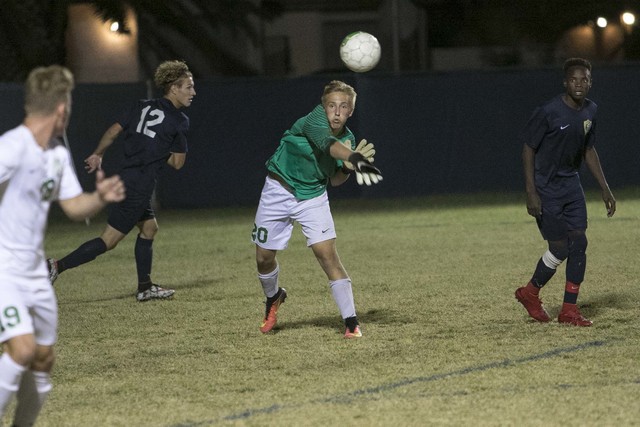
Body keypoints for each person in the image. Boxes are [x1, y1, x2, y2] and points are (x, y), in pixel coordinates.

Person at [0, 65, 125, 425]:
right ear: (61, 108)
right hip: (5, 273)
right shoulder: (13, 148)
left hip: (35, 274)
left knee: (42, 359)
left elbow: (73, 207)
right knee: (21, 350)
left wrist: (99, 197)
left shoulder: (55, 154)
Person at [47, 60, 196, 302]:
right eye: (188, 87)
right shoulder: (179, 121)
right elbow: (178, 163)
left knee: (149, 228)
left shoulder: (141, 106)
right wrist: (162, 147)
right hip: (138, 186)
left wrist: (98, 154)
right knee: (108, 241)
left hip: (126, 178)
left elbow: (113, 131)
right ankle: (55, 266)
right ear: (173, 88)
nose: (193, 93)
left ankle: (145, 287)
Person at [252, 80, 382, 339]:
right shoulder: (313, 120)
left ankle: (351, 322)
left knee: (327, 255)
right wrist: (352, 157)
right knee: (263, 258)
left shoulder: (348, 140)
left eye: (343, 107)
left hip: (312, 196)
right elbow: (326, 143)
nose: (336, 111)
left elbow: (334, 179)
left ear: (351, 112)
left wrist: (347, 167)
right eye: (331, 105)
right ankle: (274, 297)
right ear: (323, 107)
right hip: (278, 190)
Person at [515, 58, 616, 327]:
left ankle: (569, 310)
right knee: (559, 248)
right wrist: (531, 192)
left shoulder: (591, 111)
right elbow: (528, 149)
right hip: (546, 188)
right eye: (574, 79)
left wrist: (605, 189)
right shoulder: (548, 111)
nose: (579, 84)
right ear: (565, 83)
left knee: (580, 243)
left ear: (590, 82)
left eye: (584, 79)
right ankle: (530, 292)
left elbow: (588, 150)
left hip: (571, 185)